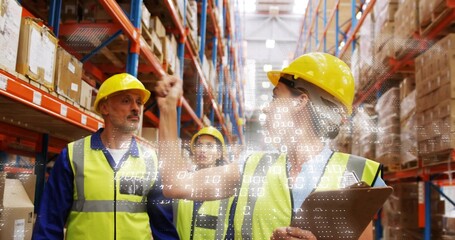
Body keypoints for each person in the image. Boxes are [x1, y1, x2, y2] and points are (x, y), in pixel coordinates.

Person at [160, 52, 387, 239]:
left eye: (275, 97)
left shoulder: (356, 176)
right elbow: (175, 184)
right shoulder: (251, 167)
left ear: (301, 101)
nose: (266, 109)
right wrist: (169, 110)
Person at [32, 73, 181, 240]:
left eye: (139, 102)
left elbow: (164, 228)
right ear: (105, 108)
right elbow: (49, 223)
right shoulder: (74, 155)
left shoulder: (150, 160)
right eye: (126, 100)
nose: (136, 108)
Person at [173, 126, 233, 240]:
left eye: (209, 146)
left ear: (219, 153)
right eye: (199, 145)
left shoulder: (228, 190)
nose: (202, 150)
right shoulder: (181, 183)